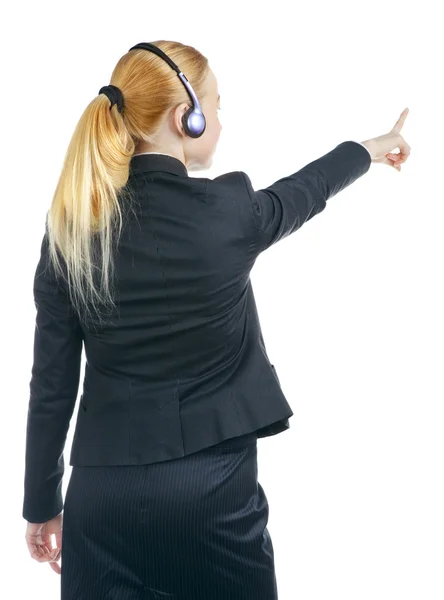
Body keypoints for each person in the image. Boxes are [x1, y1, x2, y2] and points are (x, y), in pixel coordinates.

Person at [22, 39, 411, 599]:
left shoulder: (69, 233)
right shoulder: (230, 211)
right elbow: (301, 193)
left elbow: (52, 387)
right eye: (217, 105)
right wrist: (368, 149)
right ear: (188, 117)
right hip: (212, 493)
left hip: (102, 499)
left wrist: (41, 504)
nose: (220, 118)